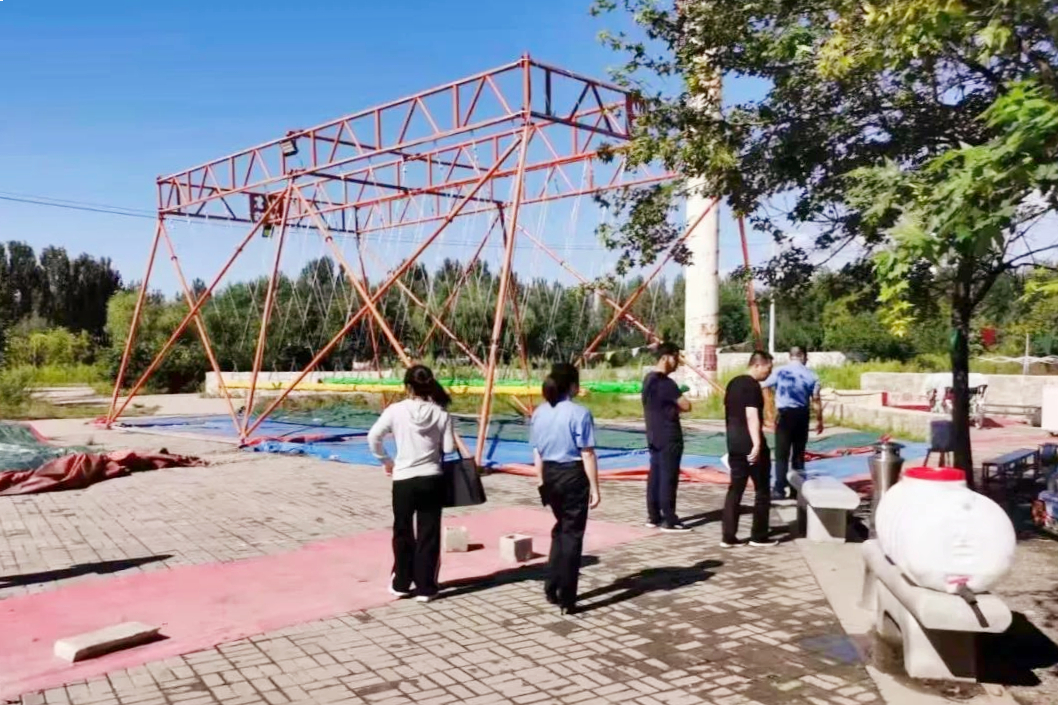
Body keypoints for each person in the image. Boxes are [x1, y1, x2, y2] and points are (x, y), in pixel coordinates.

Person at [368, 365, 471, 603]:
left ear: (407, 387)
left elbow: (373, 437)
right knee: (429, 532)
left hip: (403, 478)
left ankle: (401, 583)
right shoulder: (441, 414)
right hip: (431, 478)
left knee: (402, 530)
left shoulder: (395, 410)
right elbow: (448, 448)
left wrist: (387, 461)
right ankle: (426, 587)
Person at [531, 363, 601, 615]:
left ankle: (552, 585)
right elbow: (587, 453)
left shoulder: (539, 412)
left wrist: (540, 480)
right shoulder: (579, 413)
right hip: (572, 474)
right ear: (572, 385)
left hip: (549, 473)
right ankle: (567, 596)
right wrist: (595, 487)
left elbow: (537, 451)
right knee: (572, 534)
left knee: (561, 528)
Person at [721, 351, 776, 548]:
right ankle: (758, 535)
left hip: (734, 443)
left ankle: (728, 536)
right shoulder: (752, 386)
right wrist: (757, 443)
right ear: (757, 365)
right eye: (768, 368)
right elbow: (751, 415)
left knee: (735, 489)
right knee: (762, 490)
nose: (769, 373)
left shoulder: (732, 383)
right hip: (750, 444)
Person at [642, 342, 692, 532]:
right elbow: (686, 405)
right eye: (676, 358)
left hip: (653, 434)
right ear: (665, 358)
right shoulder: (666, 383)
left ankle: (654, 516)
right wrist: (676, 407)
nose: (677, 362)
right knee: (668, 477)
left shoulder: (648, 380)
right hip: (669, 435)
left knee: (655, 475)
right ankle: (670, 519)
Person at [762, 346, 823, 500]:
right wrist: (819, 420)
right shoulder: (812, 375)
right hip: (802, 416)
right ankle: (796, 490)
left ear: (790, 356)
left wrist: (767, 410)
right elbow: (816, 399)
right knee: (798, 454)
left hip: (785, 416)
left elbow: (763, 385)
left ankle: (779, 489)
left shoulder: (780, 372)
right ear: (803, 356)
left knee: (781, 454)